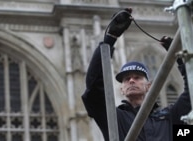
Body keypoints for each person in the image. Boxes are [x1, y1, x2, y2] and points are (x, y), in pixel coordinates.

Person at [81, 8, 190, 141]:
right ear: (122, 89)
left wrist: (178, 57)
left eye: (137, 77)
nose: (131, 80)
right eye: (126, 79)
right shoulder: (114, 118)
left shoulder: (169, 117)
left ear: (149, 86)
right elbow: (93, 90)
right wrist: (110, 39)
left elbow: (191, 91)